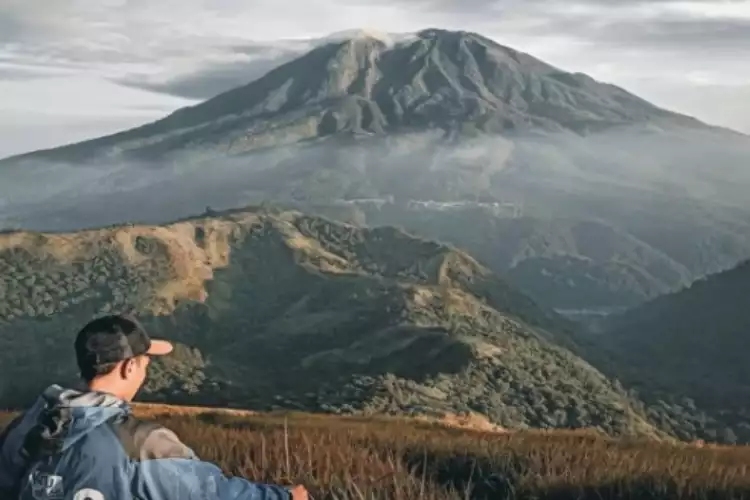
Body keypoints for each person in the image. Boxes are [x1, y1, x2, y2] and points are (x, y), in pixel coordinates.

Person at [0, 314, 309, 500]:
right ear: (128, 367)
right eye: (145, 363)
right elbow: (208, 493)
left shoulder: (24, 427)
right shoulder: (142, 443)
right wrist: (283, 497)